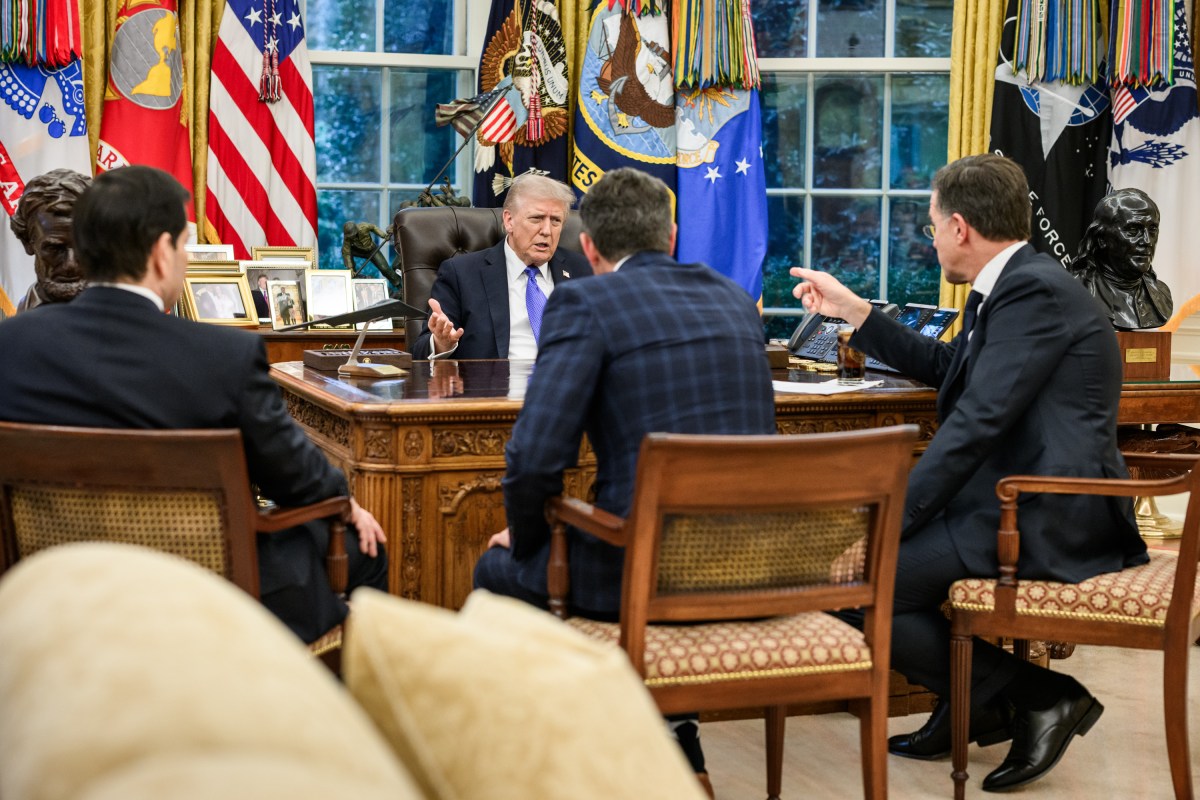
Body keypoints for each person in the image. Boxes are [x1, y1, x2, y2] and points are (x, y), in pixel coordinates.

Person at [791, 154, 1147, 792]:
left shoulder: (1032, 292)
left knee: (852, 585)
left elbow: (976, 423)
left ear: (959, 227)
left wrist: (888, 524)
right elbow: (949, 368)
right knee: (856, 576)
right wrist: (855, 312)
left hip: (1047, 511)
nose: (931, 241)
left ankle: (1041, 697)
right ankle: (978, 703)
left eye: (931, 227)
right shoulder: (1017, 284)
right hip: (1008, 500)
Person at [473, 168, 777, 791]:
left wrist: (528, 542)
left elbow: (534, 460)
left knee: (496, 571)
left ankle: (554, 763)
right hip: (754, 566)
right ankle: (674, 738)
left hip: (640, 571)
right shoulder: (734, 299)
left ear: (588, 247)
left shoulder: (585, 303)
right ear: (671, 235)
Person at [0, 165, 389, 645]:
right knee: (368, 547)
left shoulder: (9, 347)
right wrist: (344, 502)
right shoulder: (225, 357)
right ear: (161, 253)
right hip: (207, 597)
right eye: (185, 245)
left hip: (54, 592)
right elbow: (299, 483)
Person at [409, 173, 593, 360]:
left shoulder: (583, 270)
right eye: (536, 218)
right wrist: (441, 343)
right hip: (499, 378)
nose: (546, 231)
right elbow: (419, 353)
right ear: (509, 220)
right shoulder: (462, 274)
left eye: (555, 221)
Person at [1070, 187, 1173, 330]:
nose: (1147, 241)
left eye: (1152, 230)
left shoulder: (1161, 295)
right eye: (1133, 230)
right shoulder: (1077, 293)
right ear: (1101, 238)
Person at [9, 168, 91, 313]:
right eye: (55, 249)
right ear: (27, 242)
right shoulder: (20, 320)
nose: (70, 264)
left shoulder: (126, 315)